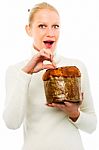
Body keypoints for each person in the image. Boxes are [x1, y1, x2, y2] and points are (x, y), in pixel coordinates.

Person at [3, 2, 97, 150]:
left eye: (55, 26)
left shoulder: (76, 68)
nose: (50, 33)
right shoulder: (17, 71)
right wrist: (26, 73)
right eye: (42, 26)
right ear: (29, 30)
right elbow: (12, 123)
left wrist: (74, 113)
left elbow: (92, 126)